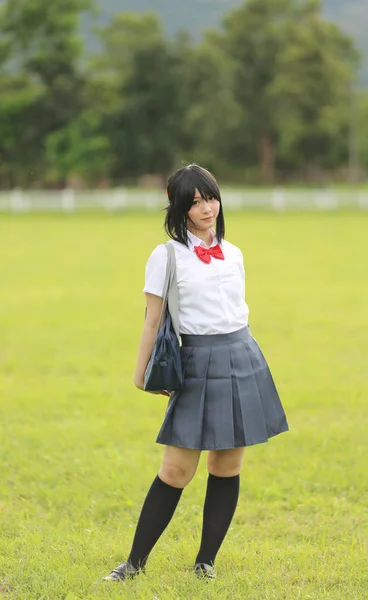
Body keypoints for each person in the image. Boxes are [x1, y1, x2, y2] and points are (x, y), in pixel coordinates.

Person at [102, 164, 289, 583]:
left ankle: (205, 562)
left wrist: (246, 358)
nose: (206, 208)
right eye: (195, 201)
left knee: (227, 466)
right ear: (180, 209)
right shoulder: (166, 256)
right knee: (176, 470)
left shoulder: (235, 252)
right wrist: (141, 373)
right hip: (197, 362)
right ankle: (133, 565)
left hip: (242, 357)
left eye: (210, 197)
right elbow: (152, 320)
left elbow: (237, 312)